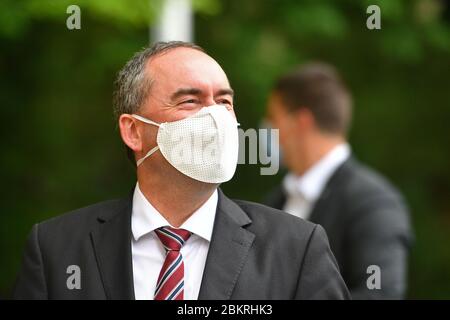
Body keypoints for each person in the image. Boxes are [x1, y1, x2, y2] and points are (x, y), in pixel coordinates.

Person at [13, 42, 349, 300]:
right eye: (190, 101)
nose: (215, 118)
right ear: (133, 131)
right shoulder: (56, 249)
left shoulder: (296, 248)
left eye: (224, 102)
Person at [264, 62, 413, 299]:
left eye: (274, 118)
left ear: (301, 122)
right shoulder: (275, 201)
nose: (267, 129)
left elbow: (380, 295)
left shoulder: (374, 202)